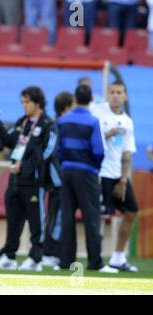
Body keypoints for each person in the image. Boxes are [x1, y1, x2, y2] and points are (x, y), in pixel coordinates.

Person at [0, 86, 57, 272]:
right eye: (22, 102)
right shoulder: (22, 122)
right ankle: (9, 257)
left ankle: (35, 259)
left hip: (34, 181)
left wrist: (25, 168)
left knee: (36, 223)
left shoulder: (47, 124)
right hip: (15, 179)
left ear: (38, 103)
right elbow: (10, 142)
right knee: (13, 222)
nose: (24, 106)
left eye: (27, 102)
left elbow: (47, 152)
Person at [56, 84, 118, 273]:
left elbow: (58, 149)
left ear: (75, 99)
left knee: (67, 217)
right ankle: (95, 263)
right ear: (91, 100)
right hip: (87, 173)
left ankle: (66, 261)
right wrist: (94, 168)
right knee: (91, 218)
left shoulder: (62, 120)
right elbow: (99, 150)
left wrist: (65, 164)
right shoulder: (93, 122)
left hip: (66, 171)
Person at [92, 81, 139, 272]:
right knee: (99, 216)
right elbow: (89, 138)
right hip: (99, 172)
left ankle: (118, 257)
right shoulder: (98, 113)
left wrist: (123, 180)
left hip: (117, 175)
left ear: (125, 96)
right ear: (107, 94)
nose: (115, 96)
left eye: (119, 92)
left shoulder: (127, 121)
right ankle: (96, 259)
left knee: (132, 210)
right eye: (112, 92)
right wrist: (106, 134)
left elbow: (127, 153)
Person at [41, 91, 73, 268]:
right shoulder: (58, 125)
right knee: (56, 215)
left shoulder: (57, 123)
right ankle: (49, 252)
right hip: (58, 179)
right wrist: (55, 180)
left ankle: (54, 251)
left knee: (58, 215)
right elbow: (52, 154)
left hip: (61, 178)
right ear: (66, 107)